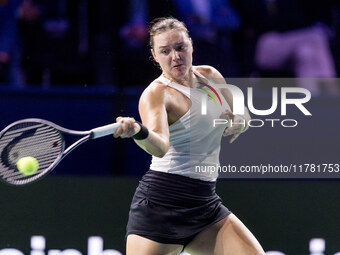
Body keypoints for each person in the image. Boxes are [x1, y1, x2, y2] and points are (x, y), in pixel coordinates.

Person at [113, 17, 265, 255]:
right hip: (162, 205)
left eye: (180, 47)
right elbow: (160, 146)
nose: (175, 56)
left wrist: (240, 121)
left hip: (205, 205)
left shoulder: (211, 75)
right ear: (155, 56)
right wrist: (138, 132)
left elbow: (242, 114)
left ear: (191, 45)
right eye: (165, 51)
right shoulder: (156, 94)